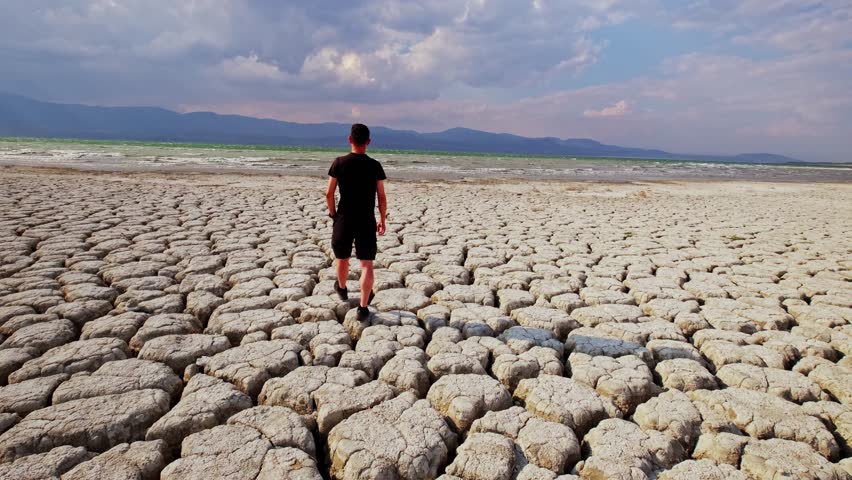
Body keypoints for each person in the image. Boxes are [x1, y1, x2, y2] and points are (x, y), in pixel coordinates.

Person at [326, 123, 387, 320]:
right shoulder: (374, 165)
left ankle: (342, 288)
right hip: (366, 220)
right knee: (366, 263)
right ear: (368, 142)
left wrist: (333, 214)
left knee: (342, 258)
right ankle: (362, 307)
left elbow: (329, 193)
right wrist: (382, 219)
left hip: (344, 217)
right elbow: (382, 196)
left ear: (350, 139)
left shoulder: (339, 163)